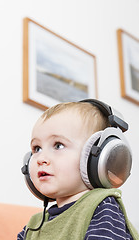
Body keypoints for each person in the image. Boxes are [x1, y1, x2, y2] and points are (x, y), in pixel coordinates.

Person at [17, 99, 139, 240]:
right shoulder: (34, 225)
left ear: (96, 158)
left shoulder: (101, 207)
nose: (40, 158)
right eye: (37, 148)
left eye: (58, 145)